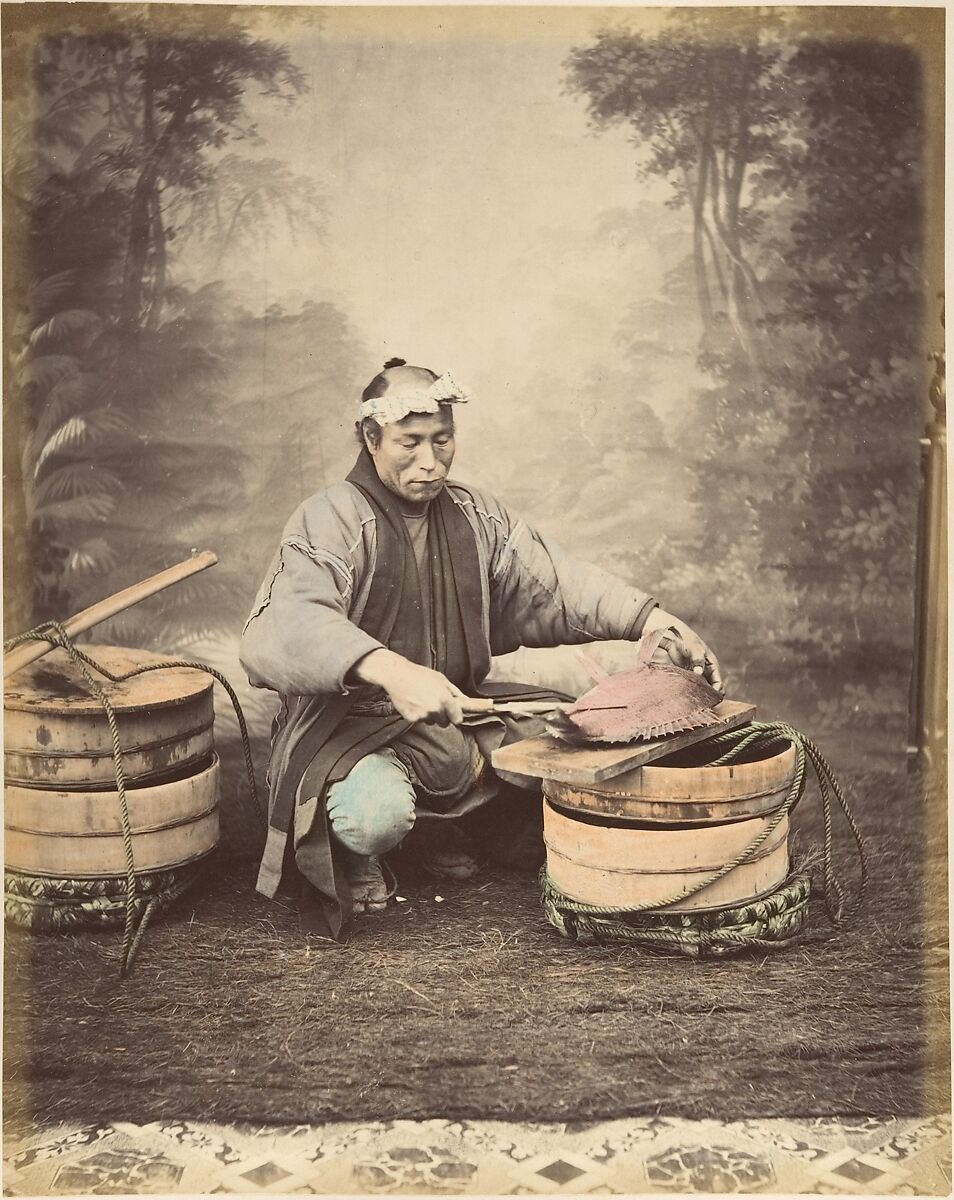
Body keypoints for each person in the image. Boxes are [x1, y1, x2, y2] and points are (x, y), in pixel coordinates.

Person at [240, 359, 722, 940]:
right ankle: (361, 851)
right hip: (349, 724)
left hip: (458, 709)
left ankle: (441, 829)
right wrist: (390, 671)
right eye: (409, 442)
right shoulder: (330, 518)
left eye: (443, 441)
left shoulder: (474, 515)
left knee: (570, 738)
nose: (430, 461)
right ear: (370, 439)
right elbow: (283, 625)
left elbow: (555, 583)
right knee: (374, 816)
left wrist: (653, 618)